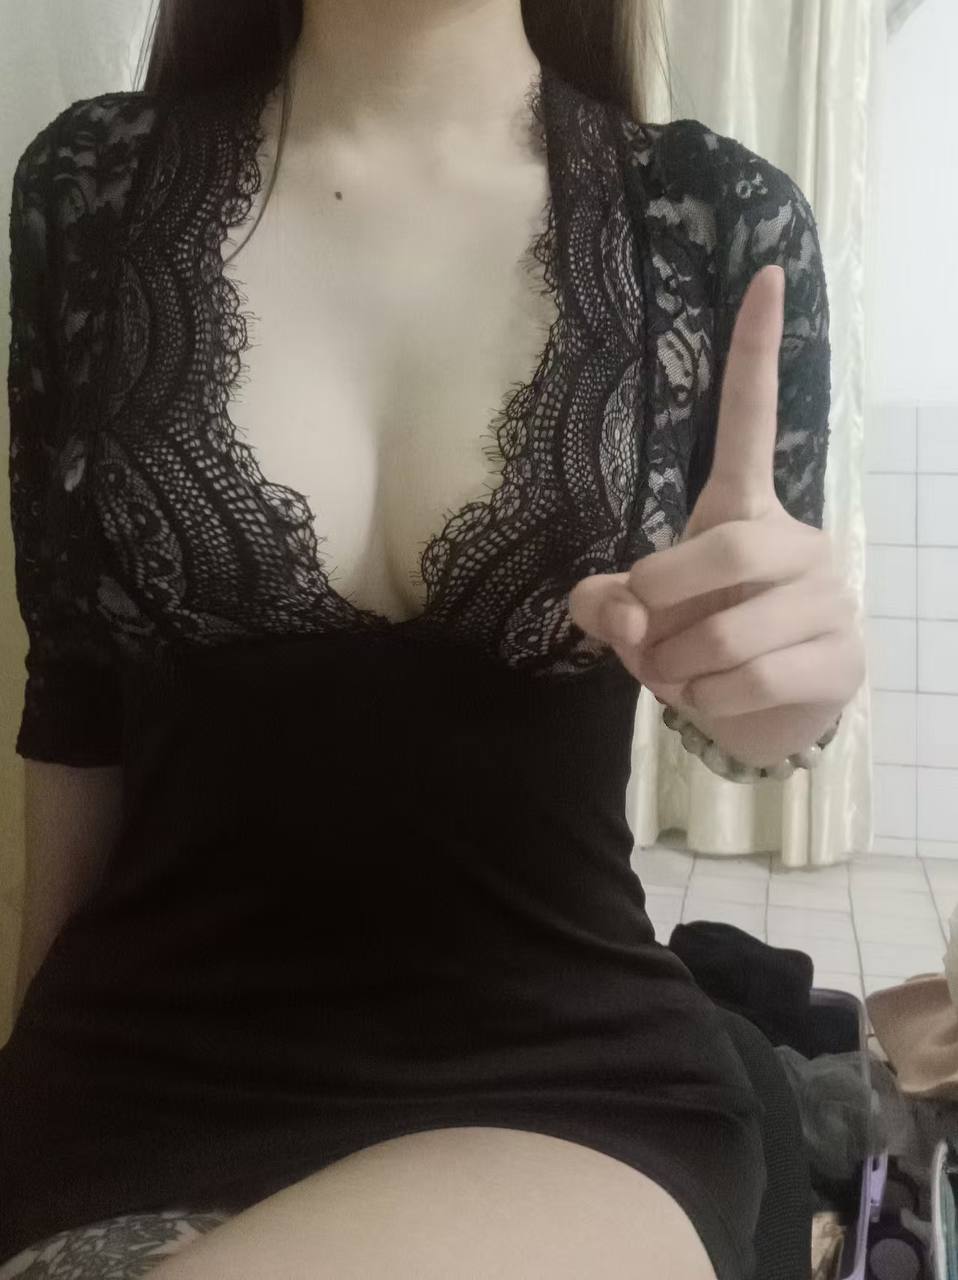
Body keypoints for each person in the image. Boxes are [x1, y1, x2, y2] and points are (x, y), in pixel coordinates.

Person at [0, 0, 865, 1277]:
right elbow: (73, 691)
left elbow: (745, 669)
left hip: (564, 1084)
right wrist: (24, 1069)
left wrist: (780, 696)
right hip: (131, 1070)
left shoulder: (710, 218)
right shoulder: (89, 187)